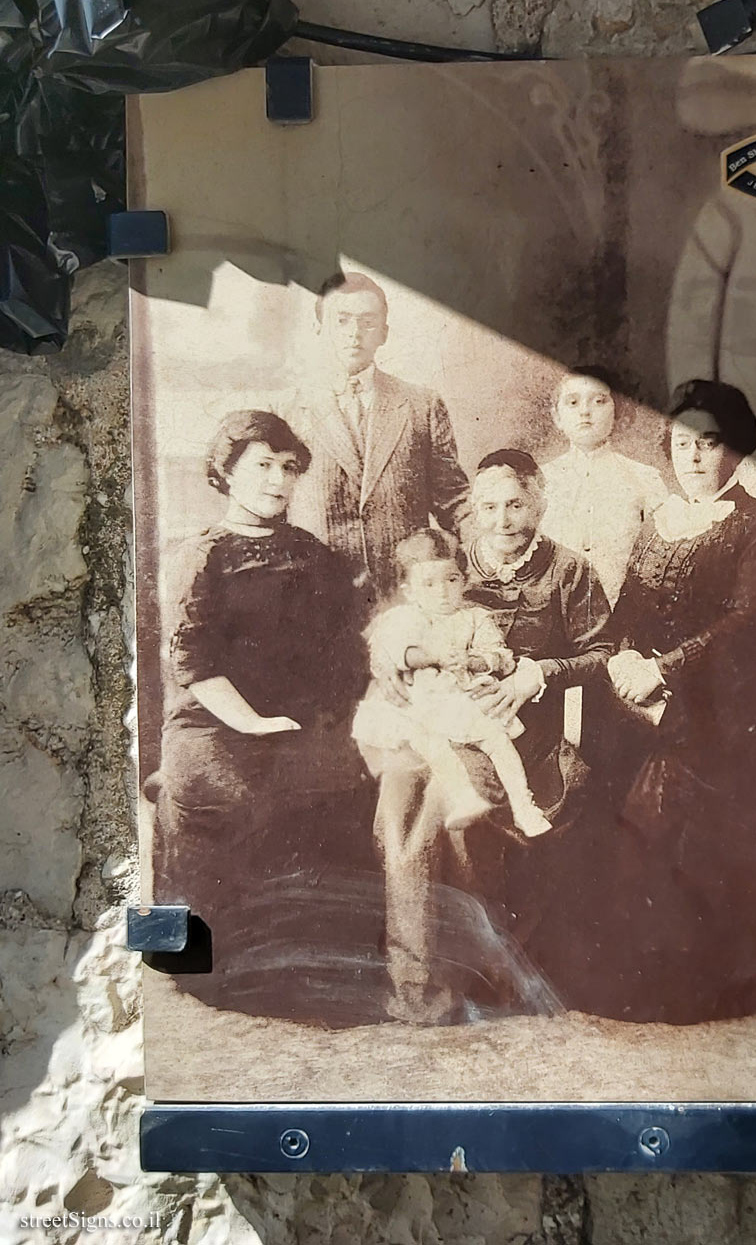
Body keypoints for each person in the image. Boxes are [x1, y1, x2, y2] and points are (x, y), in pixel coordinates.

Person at [588, 379, 756, 1025]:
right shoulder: (660, 520)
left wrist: (663, 669)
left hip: (737, 706)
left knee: (672, 802)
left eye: (709, 442)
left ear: (737, 450)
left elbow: (745, 621)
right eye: (681, 442)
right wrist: (620, 654)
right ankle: (637, 966)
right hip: (656, 698)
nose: (692, 455)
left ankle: (699, 979)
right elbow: (628, 611)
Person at [152, 410, 380, 1023]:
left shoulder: (314, 553)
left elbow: (349, 646)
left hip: (298, 721)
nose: (278, 480)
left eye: (288, 468)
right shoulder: (200, 556)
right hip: (214, 722)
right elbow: (194, 667)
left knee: (345, 792)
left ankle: (317, 969)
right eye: (261, 465)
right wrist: (255, 724)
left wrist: (334, 721)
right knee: (247, 800)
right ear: (225, 473)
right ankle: (218, 968)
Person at [368, 450, 613, 1009]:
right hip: (437, 721)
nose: (502, 519)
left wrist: (539, 673)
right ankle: (416, 977)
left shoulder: (569, 570)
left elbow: (602, 655)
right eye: (488, 507)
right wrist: (405, 677)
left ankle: (482, 972)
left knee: (457, 804)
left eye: (515, 504)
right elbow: (395, 644)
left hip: (523, 730)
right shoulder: (454, 566)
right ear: (471, 510)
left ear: (539, 501)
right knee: (397, 795)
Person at [283, 272, 469, 605]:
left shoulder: (421, 405)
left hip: (407, 601)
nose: (354, 334)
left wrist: (494, 550)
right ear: (319, 327)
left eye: (368, 323)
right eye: (342, 321)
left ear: (384, 333)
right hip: (318, 603)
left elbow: (454, 501)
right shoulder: (287, 410)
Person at [540, 366, 667, 605]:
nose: (585, 412)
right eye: (573, 402)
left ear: (617, 411)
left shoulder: (645, 478)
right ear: (557, 417)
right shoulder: (540, 481)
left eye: (598, 401)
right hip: (554, 613)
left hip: (624, 613)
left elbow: (659, 559)